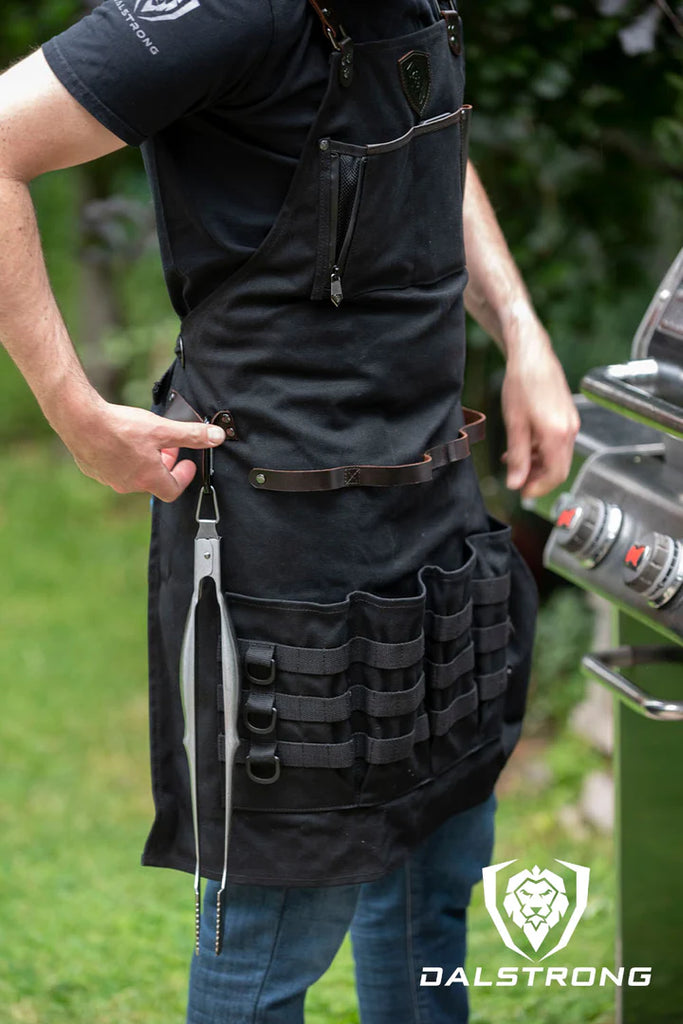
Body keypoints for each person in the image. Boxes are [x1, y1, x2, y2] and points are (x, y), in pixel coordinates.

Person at [0, 1, 579, 1021]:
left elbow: (427, 135)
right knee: (272, 942)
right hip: (284, 552)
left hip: (435, 510)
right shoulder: (224, 12)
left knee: (431, 887)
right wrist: (74, 410)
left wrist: (519, 326)